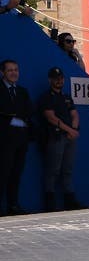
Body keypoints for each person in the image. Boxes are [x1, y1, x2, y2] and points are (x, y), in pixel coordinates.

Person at [37, 66, 80, 211]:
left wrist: (73, 130)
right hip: (55, 137)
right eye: (56, 79)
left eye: (61, 78)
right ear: (50, 80)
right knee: (53, 170)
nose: (59, 81)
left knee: (67, 169)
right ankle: (50, 202)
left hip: (69, 137)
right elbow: (51, 117)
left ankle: (70, 200)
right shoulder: (46, 97)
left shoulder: (66, 97)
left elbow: (74, 114)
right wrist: (69, 130)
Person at [0, 58, 34, 214]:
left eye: (16, 70)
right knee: (3, 173)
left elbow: (27, 112)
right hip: (4, 141)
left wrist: (14, 117)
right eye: (10, 70)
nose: (14, 73)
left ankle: (13, 205)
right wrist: (13, 117)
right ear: (3, 72)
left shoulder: (22, 92)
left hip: (20, 140)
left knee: (16, 173)